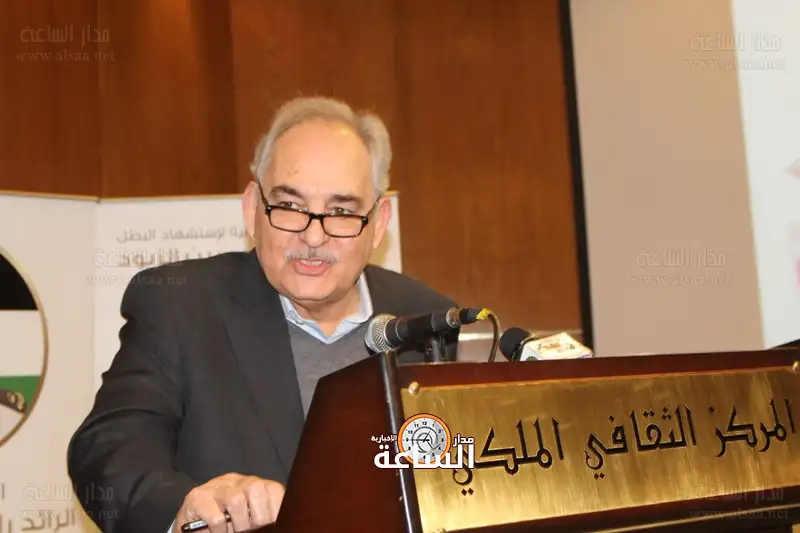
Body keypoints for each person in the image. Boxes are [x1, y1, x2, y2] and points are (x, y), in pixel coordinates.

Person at [67, 97, 459, 533]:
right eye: (290, 206)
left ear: (379, 222)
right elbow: (109, 448)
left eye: (341, 212)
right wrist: (181, 507)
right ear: (253, 206)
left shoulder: (429, 321)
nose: (313, 236)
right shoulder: (181, 307)